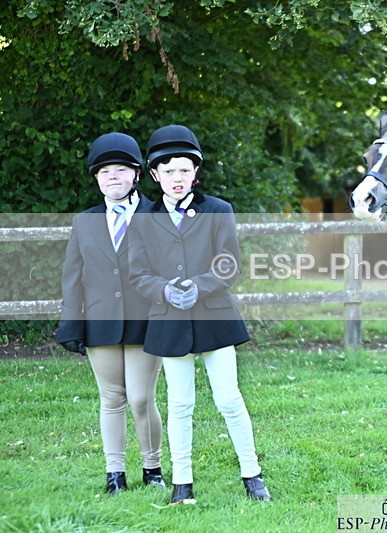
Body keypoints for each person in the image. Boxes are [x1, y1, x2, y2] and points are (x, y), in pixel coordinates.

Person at [127, 124, 270, 504]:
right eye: (169, 171)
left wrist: (199, 285)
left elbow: (229, 264)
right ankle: (182, 483)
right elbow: (137, 273)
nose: (178, 178)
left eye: (185, 170)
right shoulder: (142, 219)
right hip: (169, 320)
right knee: (180, 403)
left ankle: (251, 473)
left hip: (214, 316)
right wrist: (165, 290)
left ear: (196, 173)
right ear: (155, 175)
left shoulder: (217, 209)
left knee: (228, 398)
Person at [56, 132, 165, 495]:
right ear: (97, 178)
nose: (113, 177)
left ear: (136, 174)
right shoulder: (84, 221)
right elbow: (73, 275)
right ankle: (114, 473)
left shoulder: (157, 214)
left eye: (121, 170)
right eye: (105, 172)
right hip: (100, 321)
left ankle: (152, 466)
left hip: (145, 321)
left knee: (139, 397)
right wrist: (72, 321)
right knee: (111, 398)